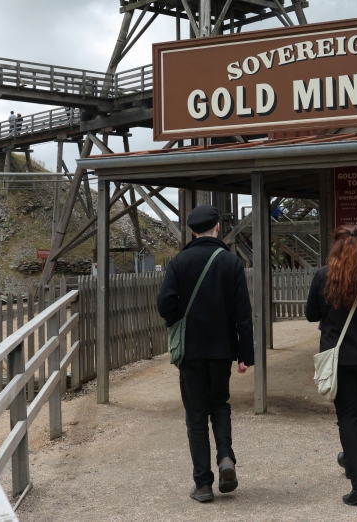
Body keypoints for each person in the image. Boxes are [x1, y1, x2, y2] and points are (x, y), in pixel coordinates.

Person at [156, 205, 254, 503]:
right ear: (218, 227)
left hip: (191, 351)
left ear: (192, 231)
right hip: (222, 349)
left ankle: (203, 485)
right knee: (220, 404)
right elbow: (244, 313)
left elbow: (165, 305)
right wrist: (245, 354)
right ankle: (225, 457)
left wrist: (180, 319)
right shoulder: (231, 262)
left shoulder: (179, 262)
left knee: (196, 415)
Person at [305, 225, 357, 508]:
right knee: (356, 408)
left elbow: (310, 314)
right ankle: (351, 461)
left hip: (338, 359)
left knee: (348, 416)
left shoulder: (323, 277)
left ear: (335, 248)